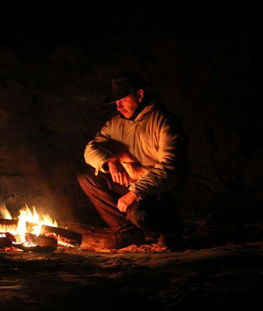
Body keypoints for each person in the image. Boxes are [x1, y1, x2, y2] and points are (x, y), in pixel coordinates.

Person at [78, 73, 186, 250]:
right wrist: (109, 161)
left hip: (158, 192)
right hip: (130, 184)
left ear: (140, 95)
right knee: (88, 179)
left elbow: (169, 168)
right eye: (116, 102)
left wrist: (135, 193)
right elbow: (92, 148)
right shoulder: (116, 124)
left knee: (141, 216)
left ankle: (169, 229)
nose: (118, 106)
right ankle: (128, 233)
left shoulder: (163, 122)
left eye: (122, 100)